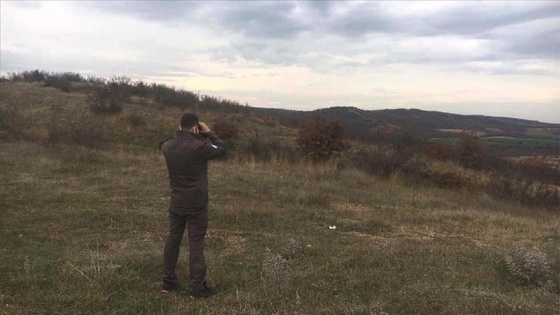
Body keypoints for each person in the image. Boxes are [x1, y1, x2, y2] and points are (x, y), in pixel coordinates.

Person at [159, 113, 227, 299]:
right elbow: (222, 150)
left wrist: (191, 134)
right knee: (196, 244)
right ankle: (197, 288)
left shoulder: (167, 146)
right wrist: (209, 132)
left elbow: (165, 142)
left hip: (176, 202)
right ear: (195, 127)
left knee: (173, 240)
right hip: (196, 205)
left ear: (180, 126)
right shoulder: (199, 147)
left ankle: (168, 282)